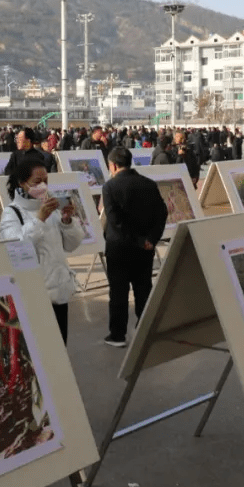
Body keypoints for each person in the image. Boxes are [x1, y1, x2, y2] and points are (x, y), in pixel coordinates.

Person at [0, 157, 84, 343]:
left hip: (59, 291)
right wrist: (39, 219)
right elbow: (15, 248)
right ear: (22, 183)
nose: (43, 186)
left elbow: (72, 245)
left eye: (46, 180)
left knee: (60, 344)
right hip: (33, 295)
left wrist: (67, 221)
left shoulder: (52, 207)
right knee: (39, 347)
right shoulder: (12, 213)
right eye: (37, 182)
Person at [101, 147, 168, 347]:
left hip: (119, 247)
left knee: (119, 293)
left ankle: (118, 335)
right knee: (143, 289)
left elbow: (115, 220)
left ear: (112, 165)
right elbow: (162, 213)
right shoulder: (148, 184)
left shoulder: (110, 187)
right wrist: (151, 239)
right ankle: (145, 330)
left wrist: (139, 239)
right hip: (144, 249)